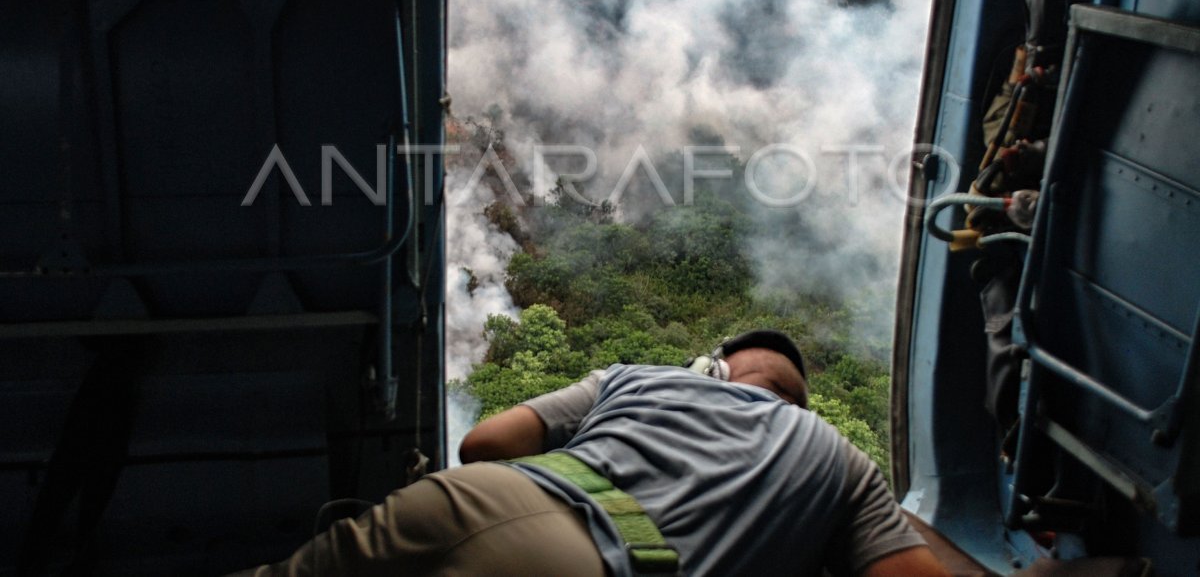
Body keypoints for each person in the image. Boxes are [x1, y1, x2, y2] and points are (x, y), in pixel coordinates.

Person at [233, 330, 948, 576]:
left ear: (713, 366)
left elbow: (483, 443)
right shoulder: (839, 458)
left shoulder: (639, 377)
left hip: (472, 500)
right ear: (798, 403)